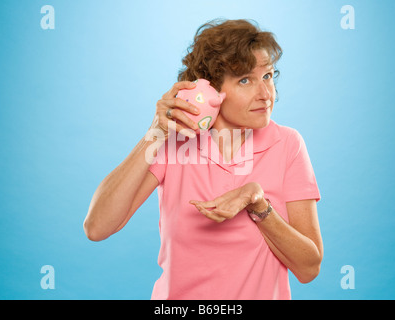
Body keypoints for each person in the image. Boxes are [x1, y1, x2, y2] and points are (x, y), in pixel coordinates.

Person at [84, 19, 323, 300]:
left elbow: (309, 268)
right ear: (210, 89)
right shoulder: (174, 142)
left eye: (268, 76)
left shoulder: (287, 144)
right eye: (245, 80)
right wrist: (154, 133)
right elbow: (97, 227)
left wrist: (258, 203)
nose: (265, 94)